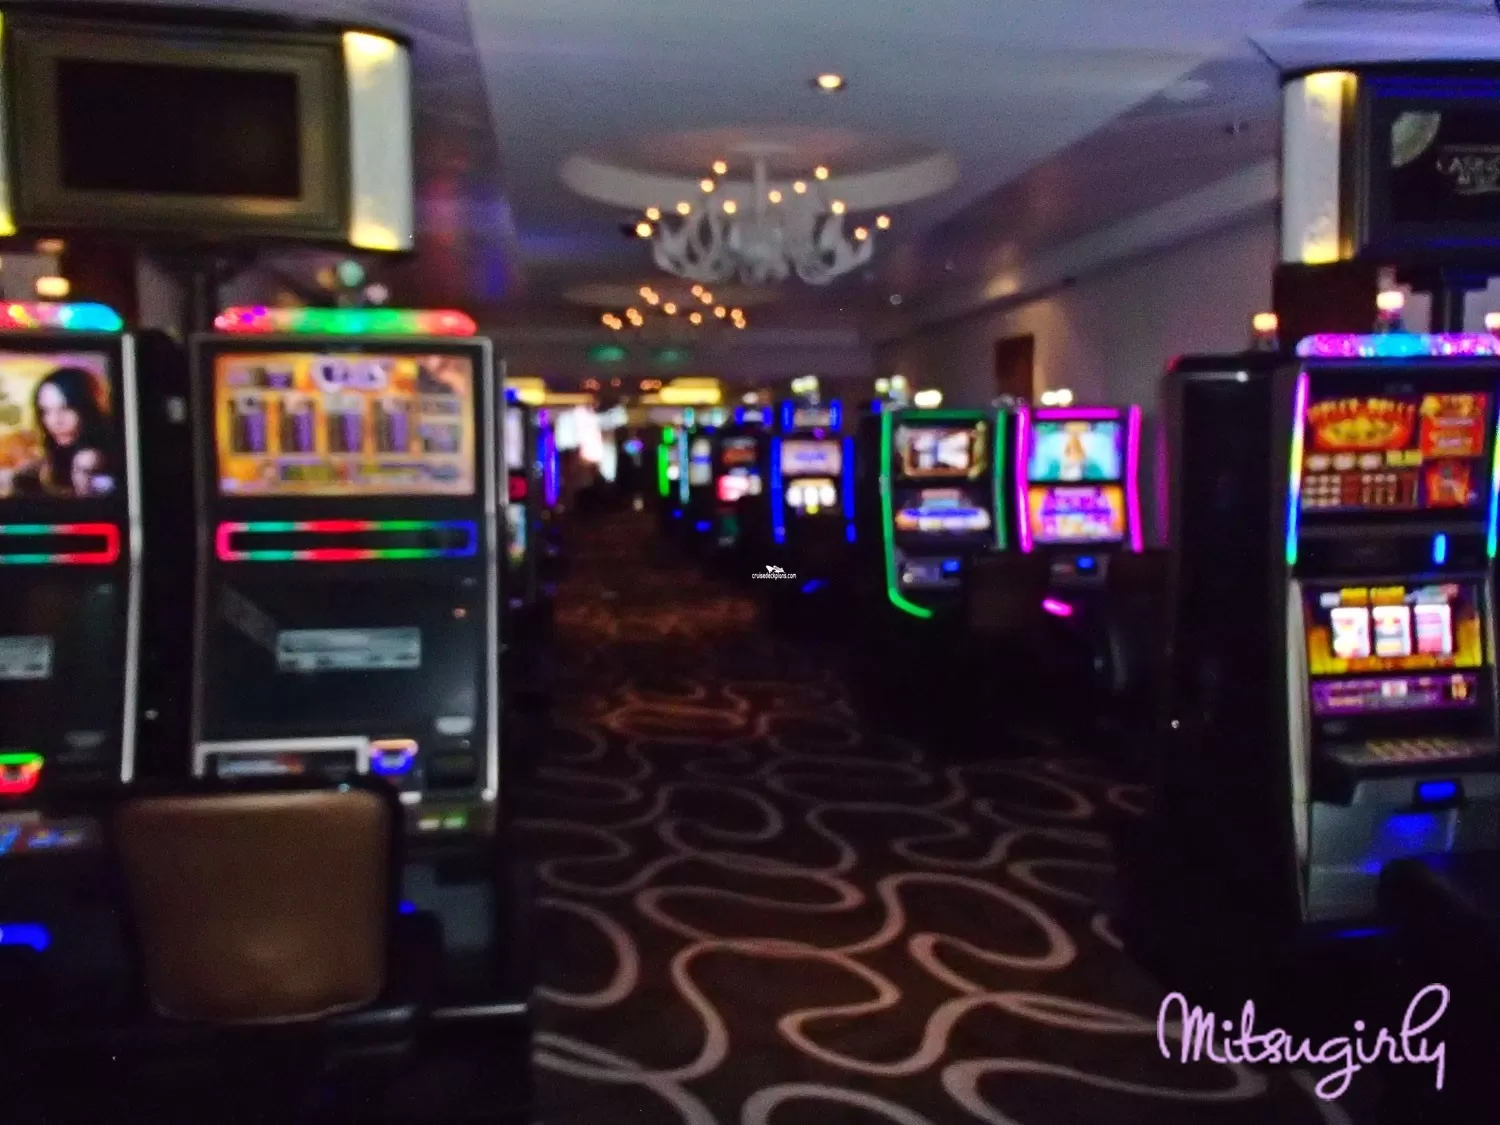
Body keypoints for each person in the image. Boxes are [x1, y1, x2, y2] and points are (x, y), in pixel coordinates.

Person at [10, 367, 111, 498]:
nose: (55, 421)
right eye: (46, 411)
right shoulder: (49, 459)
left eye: (65, 408)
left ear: (87, 408)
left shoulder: (91, 459)